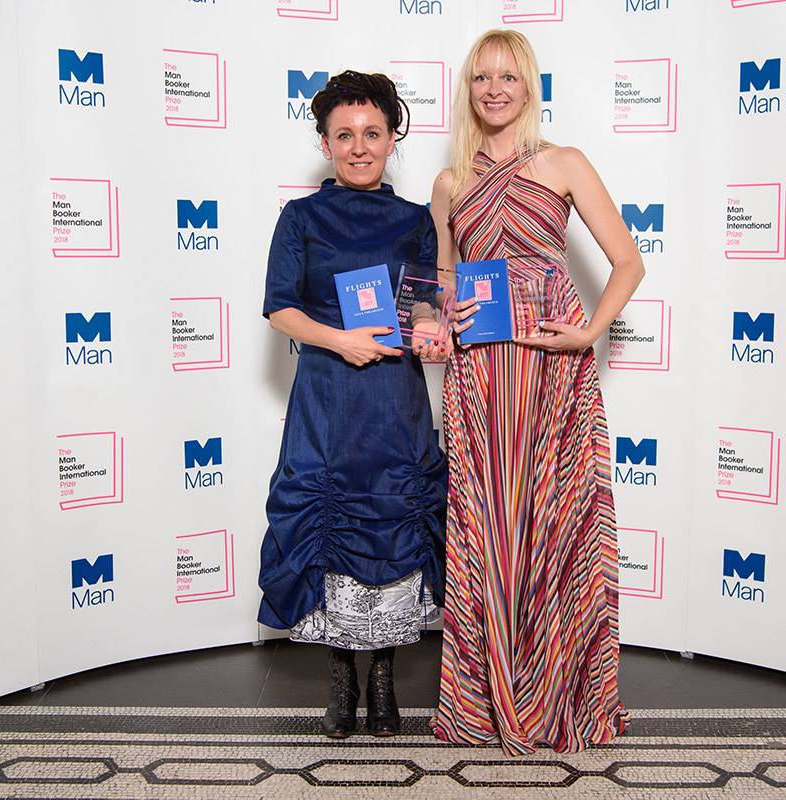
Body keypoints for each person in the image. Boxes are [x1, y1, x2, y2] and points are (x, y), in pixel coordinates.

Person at [428, 30, 645, 756]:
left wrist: (590, 331)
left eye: (507, 77)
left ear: (528, 85)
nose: (493, 89)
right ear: (469, 89)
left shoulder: (564, 163)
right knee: (486, 525)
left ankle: (554, 691)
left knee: (551, 520)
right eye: (481, 78)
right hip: (480, 372)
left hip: (551, 369)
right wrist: (440, 312)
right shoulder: (450, 183)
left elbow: (626, 263)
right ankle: (483, 700)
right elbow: (447, 282)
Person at [258, 70, 448, 739]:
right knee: (334, 525)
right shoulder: (300, 217)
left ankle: (386, 676)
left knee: (392, 521)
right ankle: (341, 677)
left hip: (395, 399)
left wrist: (428, 325)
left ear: (392, 137)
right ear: (325, 140)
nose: (359, 146)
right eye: (345, 135)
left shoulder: (413, 220)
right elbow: (279, 308)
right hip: (328, 398)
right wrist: (340, 340)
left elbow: (425, 301)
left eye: (373, 133)